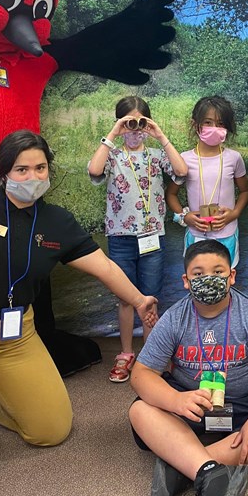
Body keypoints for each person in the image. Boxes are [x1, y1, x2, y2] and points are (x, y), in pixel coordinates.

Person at [0, 130, 158, 486]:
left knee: (51, 430)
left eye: (40, 168)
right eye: (21, 170)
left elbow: (103, 266)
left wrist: (139, 300)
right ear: (4, 173)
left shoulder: (57, 222)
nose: (32, 177)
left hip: (17, 336)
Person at [128, 240, 248, 496]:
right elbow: (142, 374)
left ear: (231, 276)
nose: (209, 279)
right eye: (198, 274)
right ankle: (209, 470)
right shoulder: (174, 318)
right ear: (186, 280)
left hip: (244, 403)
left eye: (218, 272)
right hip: (190, 405)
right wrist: (175, 400)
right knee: (140, 411)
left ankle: (186, 465)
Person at [88, 96, 187, 383]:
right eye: (128, 123)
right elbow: (94, 171)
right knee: (124, 297)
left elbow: (181, 172)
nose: (134, 129)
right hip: (120, 237)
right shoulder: (114, 156)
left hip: (152, 236)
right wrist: (114, 134)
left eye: (139, 123)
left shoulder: (156, 155)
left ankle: (152, 355)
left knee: (150, 298)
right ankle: (126, 352)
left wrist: (159, 134)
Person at [166, 95, 248, 268]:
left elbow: (245, 192)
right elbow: (171, 194)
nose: (214, 128)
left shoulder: (234, 158)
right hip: (196, 234)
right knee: (196, 280)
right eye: (208, 122)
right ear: (195, 124)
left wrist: (234, 214)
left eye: (220, 124)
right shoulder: (184, 159)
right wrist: (184, 216)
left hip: (227, 234)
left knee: (226, 280)